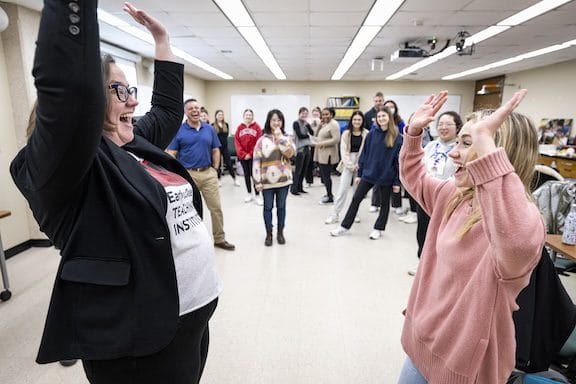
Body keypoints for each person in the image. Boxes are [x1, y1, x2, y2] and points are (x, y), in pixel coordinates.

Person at [10, 2, 221, 383]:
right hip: (137, 341)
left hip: (188, 322)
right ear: (90, 99)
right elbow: (67, 89)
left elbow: (168, 109)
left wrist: (162, 40)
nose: (133, 101)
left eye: (131, 88)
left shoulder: (132, 143)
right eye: (119, 89)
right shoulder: (68, 167)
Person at [397, 90, 544, 384]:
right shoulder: (454, 195)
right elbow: (415, 177)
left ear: (497, 154)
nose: (453, 152)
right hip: (422, 346)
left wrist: (487, 153)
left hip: (465, 370)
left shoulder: (524, 224)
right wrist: (413, 133)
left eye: (467, 143)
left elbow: (515, 242)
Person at [167, 99, 236, 251]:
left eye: (197, 107)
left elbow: (216, 149)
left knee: (216, 208)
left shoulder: (209, 129)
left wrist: (215, 169)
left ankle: (219, 239)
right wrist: (175, 174)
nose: (195, 110)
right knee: (191, 211)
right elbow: (171, 153)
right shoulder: (180, 130)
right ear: (186, 112)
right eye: (191, 108)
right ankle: (194, 241)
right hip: (188, 175)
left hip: (208, 173)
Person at [330, 107, 402, 239]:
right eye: (379, 117)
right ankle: (344, 226)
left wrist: (397, 182)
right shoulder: (372, 134)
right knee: (356, 199)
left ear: (389, 118)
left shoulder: (397, 137)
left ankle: (378, 228)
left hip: (386, 176)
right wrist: (359, 174)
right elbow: (364, 155)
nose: (381, 119)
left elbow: (398, 162)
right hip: (369, 174)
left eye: (383, 116)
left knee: (384, 204)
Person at [406, 111, 463, 276]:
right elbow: (420, 168)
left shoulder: (459, 148)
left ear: (457, 127)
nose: (443, 127)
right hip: (426, 198)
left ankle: (441, 268)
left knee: (444, 235)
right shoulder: (431, 146)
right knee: (423, 232)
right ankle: (422, 264)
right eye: (440, 124)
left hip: (449, 199)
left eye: (448, 124)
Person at [253, 110, 295, 246]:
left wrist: (280, 137)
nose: (276, 123)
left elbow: (290, 154)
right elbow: (256, 161)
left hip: (283, 181)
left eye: (279, 120)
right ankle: (269, 234)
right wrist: (257, 181)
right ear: (269, 122)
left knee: (281, 207)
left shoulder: (288, 138)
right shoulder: (261, 140)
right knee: (267, 208)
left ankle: (280, 233)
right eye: (273, 120)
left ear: (282, 122)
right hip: (266, 182)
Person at [325, 111, 368, 224]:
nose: (357, 122)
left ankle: (354, 214)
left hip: (361, 165)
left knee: (357, 193)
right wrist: (351, 166)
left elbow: (367, 151)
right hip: (347, 164)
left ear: (362, 121)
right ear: (351, 121)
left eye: (359, 120)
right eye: (355, 119)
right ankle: (335, 215)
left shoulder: (366, 133)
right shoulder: (346, 133)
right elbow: (343, 152)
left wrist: (360, 166)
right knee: (342, 191)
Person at [235, 109, 263, 205]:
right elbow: (237, 142)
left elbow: (259, 142)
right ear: (244, 116)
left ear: (252, 116)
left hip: (254, 156)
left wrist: (250, 154)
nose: (248, 117)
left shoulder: (257, 127)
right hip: (243, 157)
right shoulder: (239, 128)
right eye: (246, 115)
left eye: (250, 115)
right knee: (246, 175)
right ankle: (249, 193)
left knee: (255, 176)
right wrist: (243, 154)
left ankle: (258, 195)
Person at [314, 108, 341, 204]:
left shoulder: (334, 124)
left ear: (332, 114)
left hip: (328, 154)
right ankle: (328, 193)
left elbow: (336, 139)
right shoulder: (325, 124)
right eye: (323, 114)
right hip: (322, 153)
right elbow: (316, 135)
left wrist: (322, 144)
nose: (325, 116)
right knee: (324, 176)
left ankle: (330, 196)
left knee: (326, 176)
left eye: (327, 114)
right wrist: (319, 126)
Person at [213, 109, 240, 186]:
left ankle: (235, 179)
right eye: (219, 115)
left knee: (229, 163)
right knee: (217, 164)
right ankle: (218, 180)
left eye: (221, 115)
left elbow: (225, 136)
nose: (220, 116)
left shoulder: (226, 125)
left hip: (225, 147)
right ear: (216, 116)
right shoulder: (212, 125)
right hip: (217, 148)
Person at [290, 107, 313, 195]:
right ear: (299, 114)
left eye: (306, 114)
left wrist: (308, 126)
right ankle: (294, 189)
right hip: (300, 149)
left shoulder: (306, 124)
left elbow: (312, 133)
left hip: (307, 148)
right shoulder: (296, 123)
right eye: (303, 113)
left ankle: (300, 188)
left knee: (304, 170)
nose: (304, 115)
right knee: (298, 170)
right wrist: (307, 137)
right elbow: (300, 135)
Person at [305, 106, 322, 187]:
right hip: (311, 144)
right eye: (314, 112)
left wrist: (319, 124)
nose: (315, 113)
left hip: (320, 144)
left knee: (322, 163)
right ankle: (309, 181)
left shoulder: (322, 122)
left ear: (320, 114)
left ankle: (324, 180)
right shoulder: (308, 121)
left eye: (317, 112)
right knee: (310, 163)